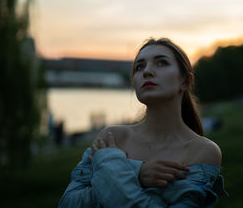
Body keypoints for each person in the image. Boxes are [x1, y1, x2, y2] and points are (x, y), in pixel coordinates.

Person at [58, 38, 227, 207]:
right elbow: (68, 203)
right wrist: (137, 172)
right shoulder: (113, 136)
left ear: (185, 81)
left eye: (161, 63)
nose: (147, 71)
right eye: (139, 66)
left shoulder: (202, 151)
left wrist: (111, 165)